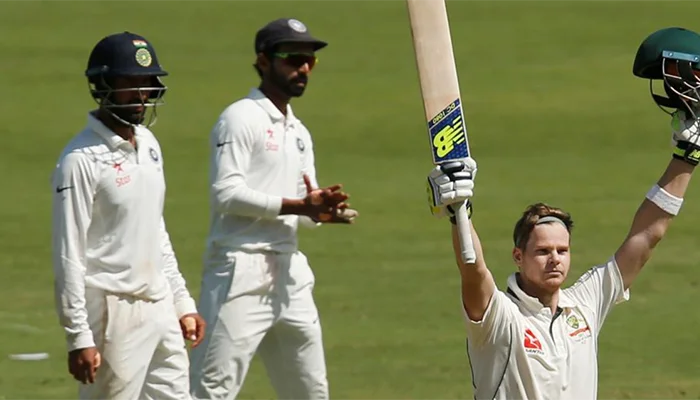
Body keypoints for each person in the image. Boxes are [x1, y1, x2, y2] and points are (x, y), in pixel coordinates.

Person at [426, 26, 700, 399]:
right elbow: (473, 269)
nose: (555, 259)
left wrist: (685, 159)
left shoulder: (584, 304)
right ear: (518, 257)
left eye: (562, 250)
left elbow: (647, 235)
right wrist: (460, 211)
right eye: (542, 251)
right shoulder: (499, 319)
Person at [189, 18, 358, 400]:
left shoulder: (298, 132)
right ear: (263, 61)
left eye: (309, 61)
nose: (302, 68)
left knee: (310, 393)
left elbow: (304, 212)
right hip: (239, 270)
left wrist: (320, 213)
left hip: (289, 273)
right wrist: (298, 205)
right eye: (292, 59)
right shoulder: (239, 118)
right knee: (211, 392)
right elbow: (225, 193)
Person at [51, 31, 206, 400]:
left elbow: (155, 229)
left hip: (160, 304)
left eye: (148, 83)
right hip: (113, 313)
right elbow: (68, 254)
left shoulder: (149, 144)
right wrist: (78, 337)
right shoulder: (79, 160)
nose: (142, 94)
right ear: (102, 86)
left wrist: (182, 302)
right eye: (130, 83)